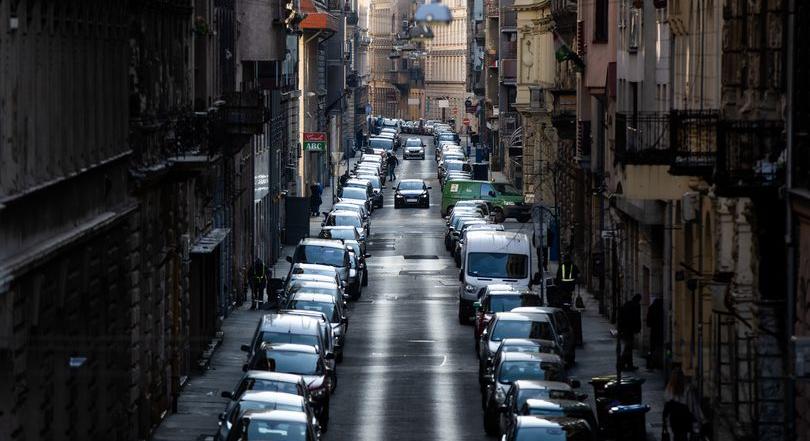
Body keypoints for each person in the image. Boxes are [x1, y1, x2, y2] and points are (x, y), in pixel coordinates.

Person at [663, 365, 702, 441]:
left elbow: (666, 405)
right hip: (684, 419)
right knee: (683, 437)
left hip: (674, 420)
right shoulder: (687, 388)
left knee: (677, 436)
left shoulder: (669, 389)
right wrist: (699, 421)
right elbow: (693, 406)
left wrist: (665, 421)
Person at [618, 294, 642, 370]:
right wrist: (638, 328)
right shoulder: (636, 306)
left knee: (629, 347)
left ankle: (629, 365)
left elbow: (621, 315)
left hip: (624, 329)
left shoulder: (627, 304)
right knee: (628, 347)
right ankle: (621, 364)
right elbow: (637, 318)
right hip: (630, 329)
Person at [646, 297, 664, 369]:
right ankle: (657, 362)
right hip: (660, 330)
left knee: (652, 348)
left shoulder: (651, 308)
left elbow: (648, 323)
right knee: (658, 347)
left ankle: (651, 363)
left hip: (653, 331)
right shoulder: (661, 309)